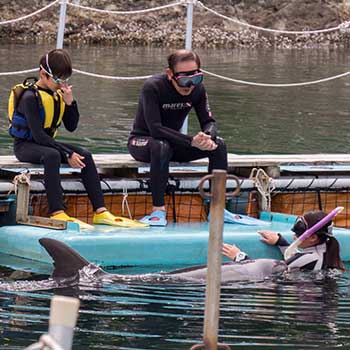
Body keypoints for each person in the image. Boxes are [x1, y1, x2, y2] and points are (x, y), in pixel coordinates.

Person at [8, 49, 147, 229]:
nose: (62, 84)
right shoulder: (29, 97)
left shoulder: (57, 95)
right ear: (43, 74)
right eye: (58, 79)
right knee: (52, 156)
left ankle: (101, 211)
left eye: (65, 79)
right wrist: (67, 153)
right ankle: (57, 211)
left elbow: (71, 126)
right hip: (26, 146)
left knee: (85, 154)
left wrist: (70, 103)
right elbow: (38, 136)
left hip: (46, 145)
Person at [128, 49, 228, 226]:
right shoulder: (153, 87)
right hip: (143, 142)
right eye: (183, 79)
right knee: (161, 145)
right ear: (169, 74)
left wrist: (207, 137)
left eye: (195, 78)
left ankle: (216, 207)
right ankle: (158, 210)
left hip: (173, 144)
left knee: (219, 145)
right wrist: (191, 141)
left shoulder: (198, 90)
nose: (189, 85)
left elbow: (209, 121)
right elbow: (156, 129)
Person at [222, 210, 345, 272]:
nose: (294, 232)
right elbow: (294, 258)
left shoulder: (308, 257)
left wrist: (240, 257)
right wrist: (281, 242)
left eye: (299, 228)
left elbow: (266, 273)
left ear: (313, 237)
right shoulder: (324, 253)